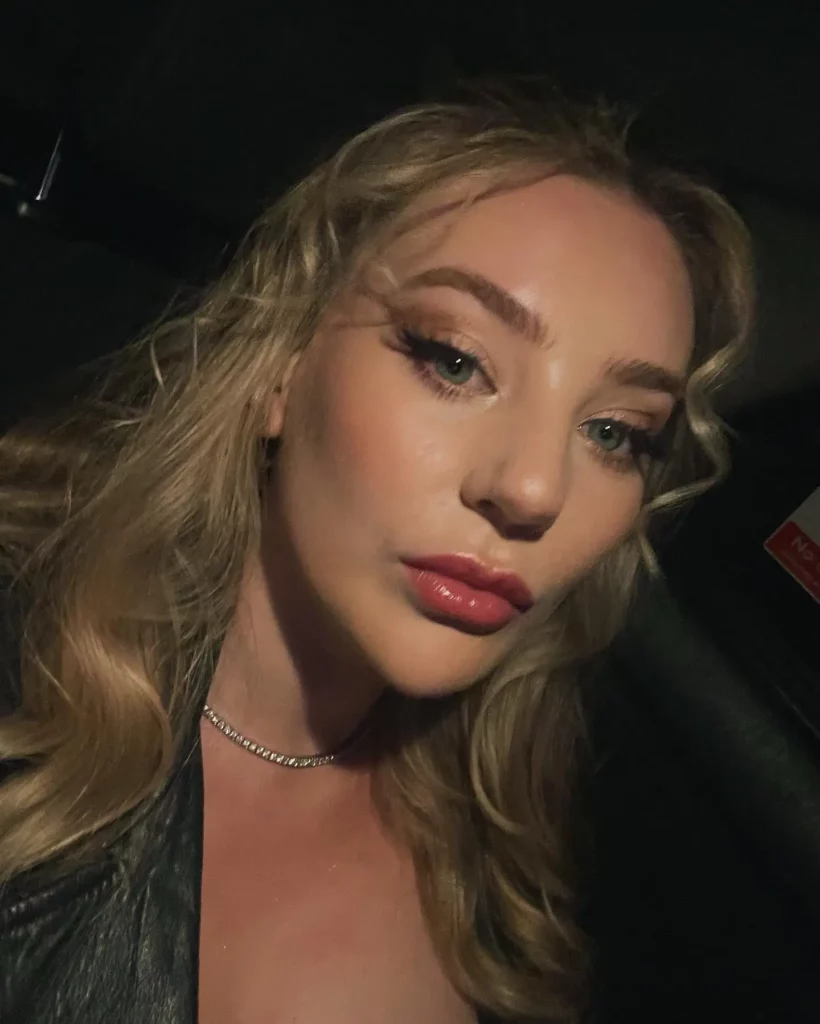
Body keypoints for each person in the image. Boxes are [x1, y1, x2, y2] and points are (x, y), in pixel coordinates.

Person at [0, 82, 753, 1024]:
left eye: (615, 433)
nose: (533, 489)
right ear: (283, 363)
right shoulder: (24, 685)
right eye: (454, 360)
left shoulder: (506, 847)